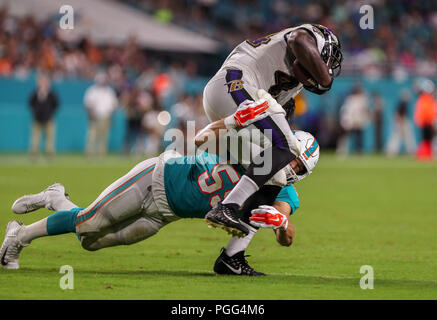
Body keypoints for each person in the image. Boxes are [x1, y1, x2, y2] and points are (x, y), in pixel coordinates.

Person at [1, 129, 319, 276]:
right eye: (290, 160)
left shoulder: (284, 193)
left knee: (90, 242)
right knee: (89, 222)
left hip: (165, 215)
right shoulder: (255, 150)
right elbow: (228, 127)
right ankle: (20, 236)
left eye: (299, 168)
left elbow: (285, 231)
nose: (290, 169)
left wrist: (282, 226)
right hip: (157, 178)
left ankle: (56, 198)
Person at [202, 23, 341, 237]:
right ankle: (227, 207)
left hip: (232, 97)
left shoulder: (293, 83)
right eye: (328, 61)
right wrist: (325, 81)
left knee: (274, 174)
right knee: (287, 145)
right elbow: (298, 39)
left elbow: (280, 109)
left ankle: (233, 255)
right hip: (234, 84)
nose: (327, 67)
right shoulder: (307, 35)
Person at [83, 72, 118, 157]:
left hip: (105, 117)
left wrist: (111, 114)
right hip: (94, 117)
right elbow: (87, 104)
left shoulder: (109, 91)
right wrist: (91, 113)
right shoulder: (92, 90)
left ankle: (101, 154)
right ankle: (89, 153)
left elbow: (114, 105)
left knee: (104, 137)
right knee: (92, 136)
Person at [28, 74, 59, 159]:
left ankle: (49, 154)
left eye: (45, 82)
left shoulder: (51, 94)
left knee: (50, 138)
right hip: (37, 118)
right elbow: (30, 103)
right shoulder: (35, 93)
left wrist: (50, 113)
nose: (43, 84)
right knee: (35, 138)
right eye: (41, 82)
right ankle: (34, 154)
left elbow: (56, 104)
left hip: (48, 118)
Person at [337, 86, 369, 154]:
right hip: (350, 121)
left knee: (359, 138)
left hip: (358, 121)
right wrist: (346, 121)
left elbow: (364, 111)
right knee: (345, 137)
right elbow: (346, 111)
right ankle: (342, 151)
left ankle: (358, 151)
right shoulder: (351, 99)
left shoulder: (362, 99)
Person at [386, 90, 416, 156]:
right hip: (402, 122)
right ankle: (391, 151)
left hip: (401, 121)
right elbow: (398, 114)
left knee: (404, 137)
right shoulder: (402, 103)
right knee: (399, 137)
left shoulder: (402, 103)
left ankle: (392, 151)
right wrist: (400, 123)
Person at [413, 79, 436, 160]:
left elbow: (428, 112)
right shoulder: (425, 99)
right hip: (427, 122)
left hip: (428, 122)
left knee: (428, 139)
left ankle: (426, 154)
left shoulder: (426, 99)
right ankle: (426, 154)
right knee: (427, 139)